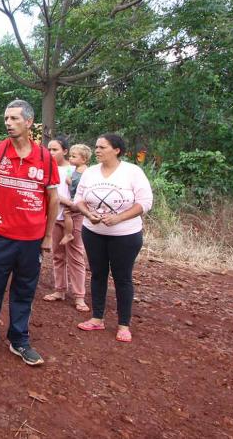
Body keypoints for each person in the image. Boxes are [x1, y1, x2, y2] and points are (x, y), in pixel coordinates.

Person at [0, 99, 59, 366]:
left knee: (24, 291)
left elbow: (53, 199)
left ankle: (19, 340)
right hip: (2, 237)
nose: (8, 123)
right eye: (6, 118)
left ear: (29, 122)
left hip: (32, 240)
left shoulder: (45, 158)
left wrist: (48, 236)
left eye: (14, 118)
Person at [73, 134, 153, 343]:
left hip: (125, 236)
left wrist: (119, 218)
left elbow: (145, 202)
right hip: (93, 232)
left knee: (122, 278)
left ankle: (123, 325)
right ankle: (97, 318)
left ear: (117, 150)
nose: (97, 150)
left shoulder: (132, 172)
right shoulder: (90, 172)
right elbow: (79, 199)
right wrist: (88, 213)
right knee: (98, 275)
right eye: (96, 147)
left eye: (102, 147)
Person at [43, 137, 89, 312]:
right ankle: (59, 289)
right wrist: (63, 201)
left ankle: (79, 296)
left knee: (76, 255)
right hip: (55, 216)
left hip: (74, 216)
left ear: (65, 151)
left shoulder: (76, 169)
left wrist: (73, 204)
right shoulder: (47, 169)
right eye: (49, 149)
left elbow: (84, 192)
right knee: (57, 254)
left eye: (55, 149)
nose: (51, 153)